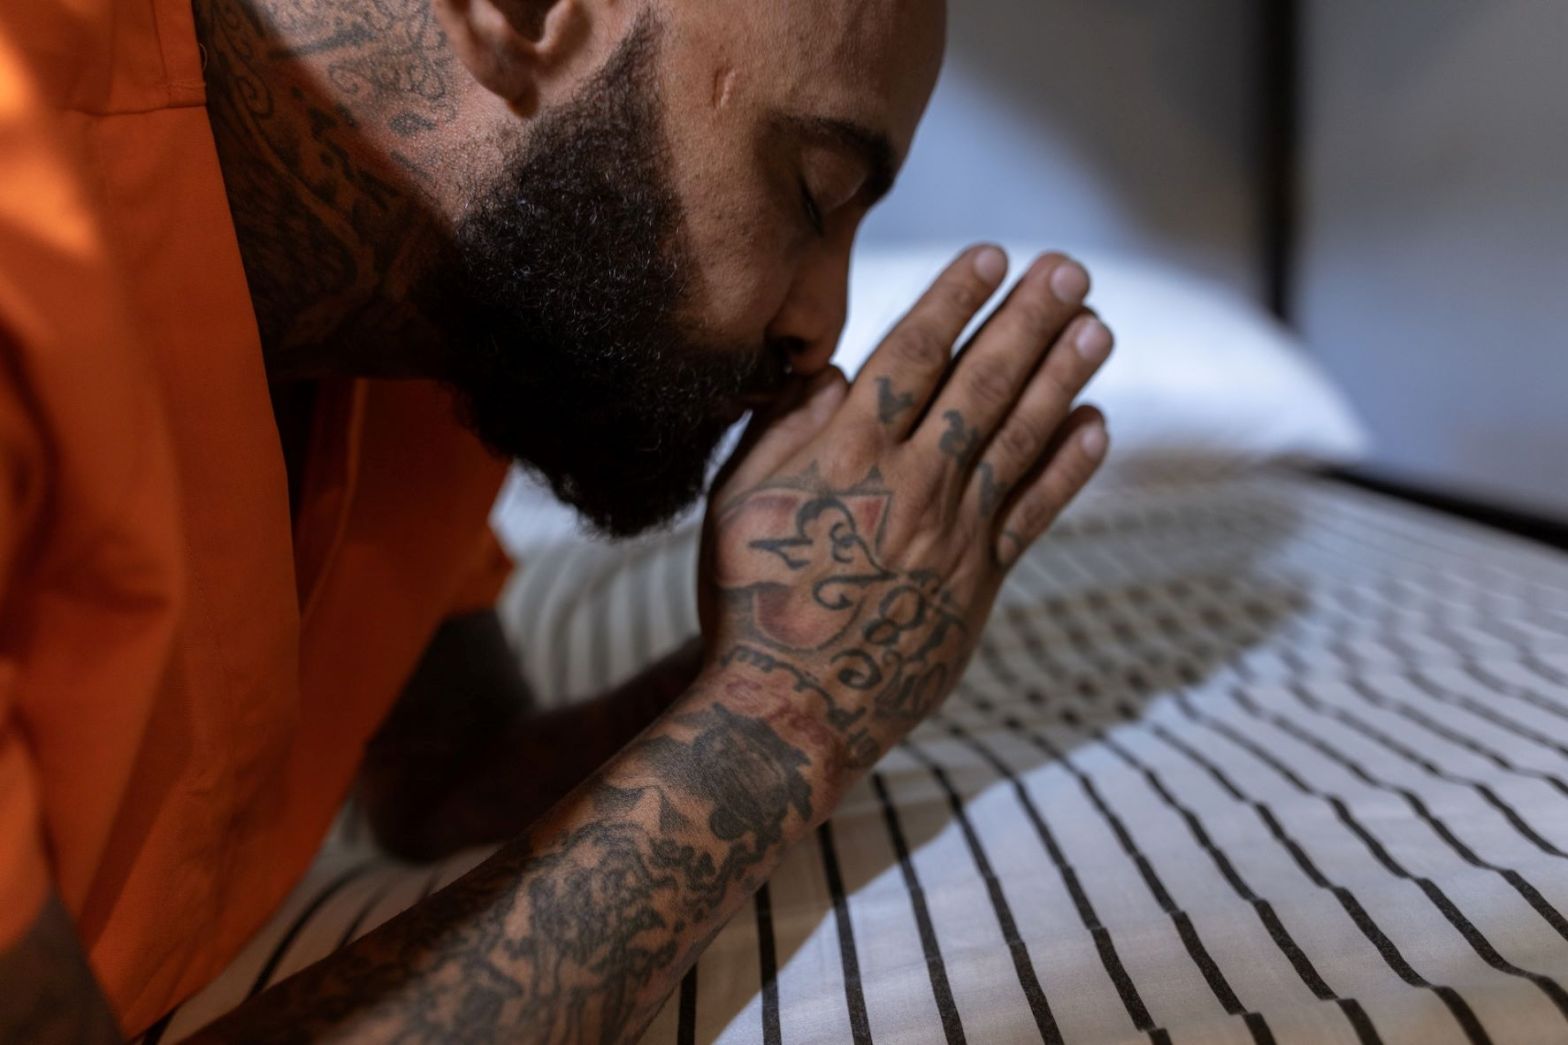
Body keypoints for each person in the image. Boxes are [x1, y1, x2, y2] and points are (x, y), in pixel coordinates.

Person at [0, 0, 1113, 1039]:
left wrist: (804, 643)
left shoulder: (440, 295)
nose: (819, 328)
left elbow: (444, 780)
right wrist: (778, 724)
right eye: (813, 192)